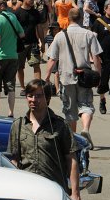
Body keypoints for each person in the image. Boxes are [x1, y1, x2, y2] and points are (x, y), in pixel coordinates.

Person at [8, 79, 82, 200]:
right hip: (26, 194)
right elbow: (14, 160)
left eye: (38, 96)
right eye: (30, 96)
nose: (33, 100)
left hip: (53, 192)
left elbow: (72, 159)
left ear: (47, 98)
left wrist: (75, 194)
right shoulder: (18, 125)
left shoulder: (60, 125)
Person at [44, 8, 103, 148]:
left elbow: (52, 59)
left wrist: (46, 78)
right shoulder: (89, 34)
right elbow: (96, 58)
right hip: (85, 76)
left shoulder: (59, 36)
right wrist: (98, 75)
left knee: (70, 110)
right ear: (81, 18)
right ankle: (85, 129)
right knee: (86, 105)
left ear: (68, 19)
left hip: (66, 77)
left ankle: (73, 140)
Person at [0, 0, 26, 117]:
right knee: (11, 85)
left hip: (0, 56)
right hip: (12, 55)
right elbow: (21, 34)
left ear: (1, 6)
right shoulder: (13, 17)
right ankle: (11, 112)